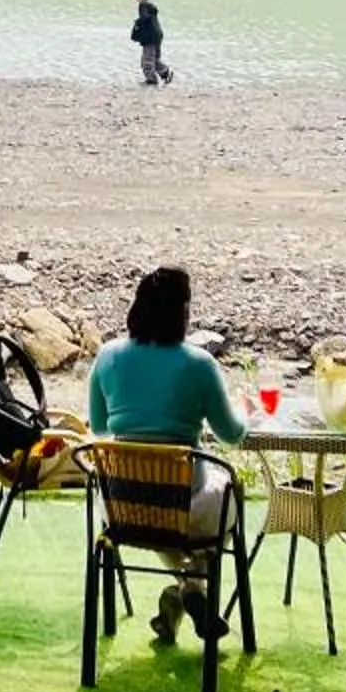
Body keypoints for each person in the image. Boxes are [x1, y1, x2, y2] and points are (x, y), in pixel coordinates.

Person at [85, 267, 249, 647]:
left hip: (124, 509)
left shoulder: (108, 356)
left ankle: (179, 598)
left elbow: (98, 426)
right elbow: (232, 434)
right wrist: (248, 412)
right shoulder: (199, 364)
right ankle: (192, 587)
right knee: (222, 498)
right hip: (183, 509)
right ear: (183, 312)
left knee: (163, 511)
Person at [130, 0, 173, 86]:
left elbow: (145, 18)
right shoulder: (151, 6)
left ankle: (152, 80)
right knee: (154, 58)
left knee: (147, 60)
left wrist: (137, 23)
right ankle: (166, 73)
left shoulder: (143, 5)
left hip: (150, 36)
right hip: (158, 35)